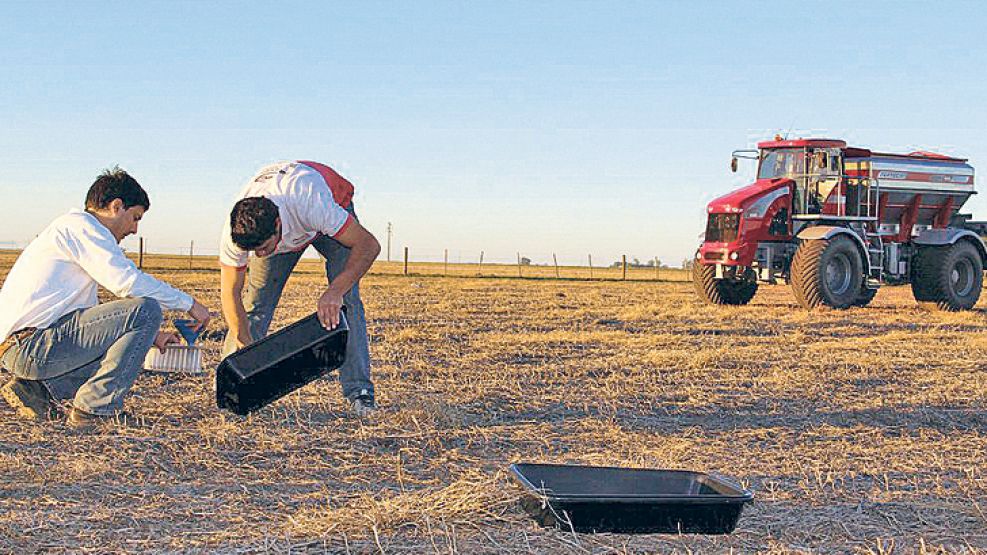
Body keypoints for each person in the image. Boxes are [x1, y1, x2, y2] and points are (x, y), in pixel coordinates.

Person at [0, 167, 211, 428]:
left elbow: (87, 319)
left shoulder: (74, 230)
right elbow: (128, 282)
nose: (134, 229)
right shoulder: (81, 227)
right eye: (135, 217)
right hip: (31, 346)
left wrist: (151, 336)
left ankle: (39, 392)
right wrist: (190, 304)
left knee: (137, 323)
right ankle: (95, 410)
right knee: (145, 310)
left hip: (28, 345)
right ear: (116, 206)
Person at [218, 161, 381, 416]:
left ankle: (360, 394)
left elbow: (369, 245)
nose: (259, 255)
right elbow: (230, 292)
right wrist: (242, 337)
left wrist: (335, 291)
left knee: (346, 301)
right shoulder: (236, 232)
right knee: (254, 307)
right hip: (292, 222)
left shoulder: (311, 203)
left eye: (263, 247)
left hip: (331, 204)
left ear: (277, 225)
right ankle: (231, 398)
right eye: (253, 251)